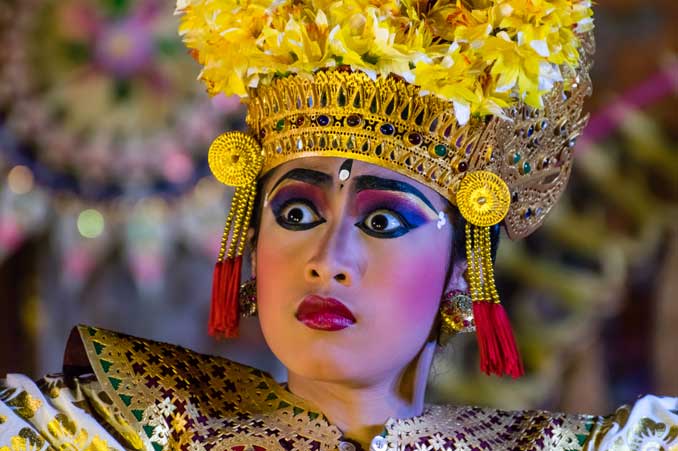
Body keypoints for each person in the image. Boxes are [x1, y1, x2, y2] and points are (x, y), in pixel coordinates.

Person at [2, 0, 677, 450]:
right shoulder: (100, 428)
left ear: (464, 269)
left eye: (384, 219)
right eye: (295, 212)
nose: (329, 258)